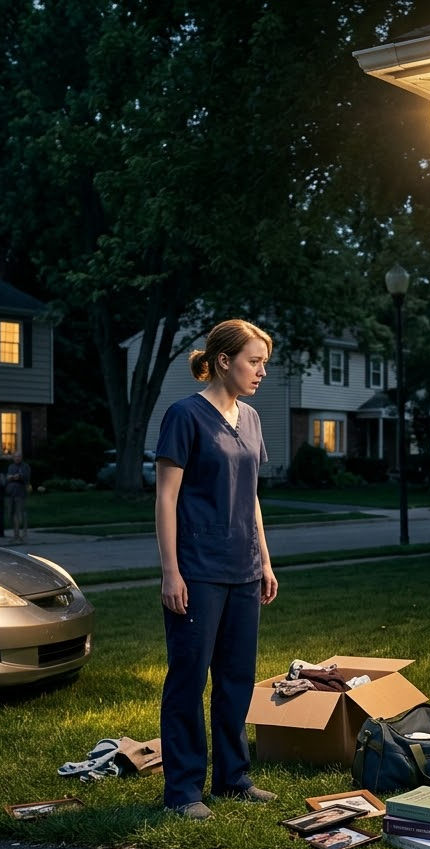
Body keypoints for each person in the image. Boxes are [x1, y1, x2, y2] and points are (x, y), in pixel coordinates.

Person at [155, 319, 279, 820]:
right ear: (223, 361)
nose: (261, 372)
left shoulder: (249, 418)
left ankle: (233, 778)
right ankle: (183, 791)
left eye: (264, 363)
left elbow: (250, 496)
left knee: (237, 679)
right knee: (188, 678)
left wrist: (265, 560)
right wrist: (170, 572)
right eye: (254, 361)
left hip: (244, 569)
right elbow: (165, 498)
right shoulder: (183, 416)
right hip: (198, 571)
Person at [5, 451, 31, 542]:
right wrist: (11, 477)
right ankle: (16, 535)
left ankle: (20, 535)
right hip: (10, 494)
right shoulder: (11, 467)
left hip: (20, 494)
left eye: (19, 456)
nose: (17, 458)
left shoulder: (25, 466)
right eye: (15, 456)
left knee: (19, 514)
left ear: (21, 457)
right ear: (13, 458)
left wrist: (19, 476)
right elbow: (8, 477)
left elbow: (26, 477)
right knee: (10, 514)